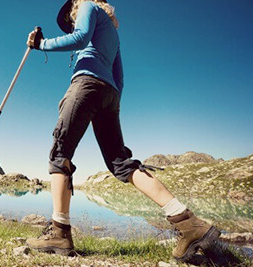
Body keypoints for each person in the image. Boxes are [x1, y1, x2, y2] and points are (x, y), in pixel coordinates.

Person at [26, 0, 220, 262]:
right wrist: (110, 102)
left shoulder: (87, 7)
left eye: (70, 16)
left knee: (60, 152)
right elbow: (120, 78)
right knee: (122, 164)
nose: (72, 20)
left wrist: (41, 44)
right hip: (110, 94)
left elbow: (80, 38)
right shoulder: (113, 34)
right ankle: (187, 222)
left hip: (86, 86)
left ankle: (59, 233)